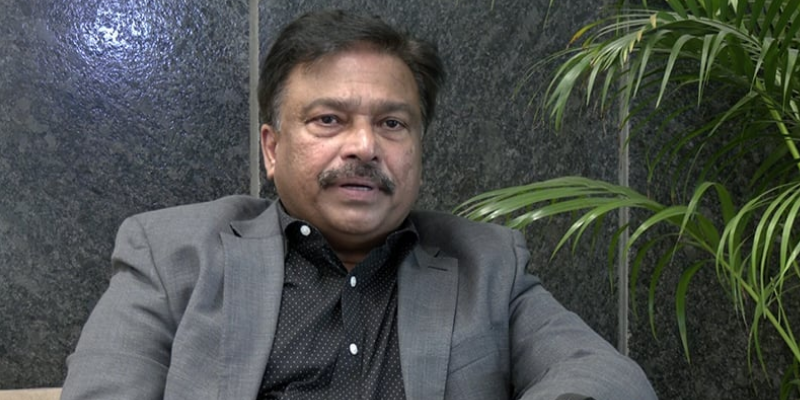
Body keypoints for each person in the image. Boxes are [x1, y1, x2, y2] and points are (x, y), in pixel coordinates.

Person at [61, 9, 657, 400]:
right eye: (329, 119)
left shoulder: (488, 264)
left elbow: (607, 377)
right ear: (272, 149)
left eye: (392, 123)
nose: (365, 146)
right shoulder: (172, 256)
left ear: (418, 147)